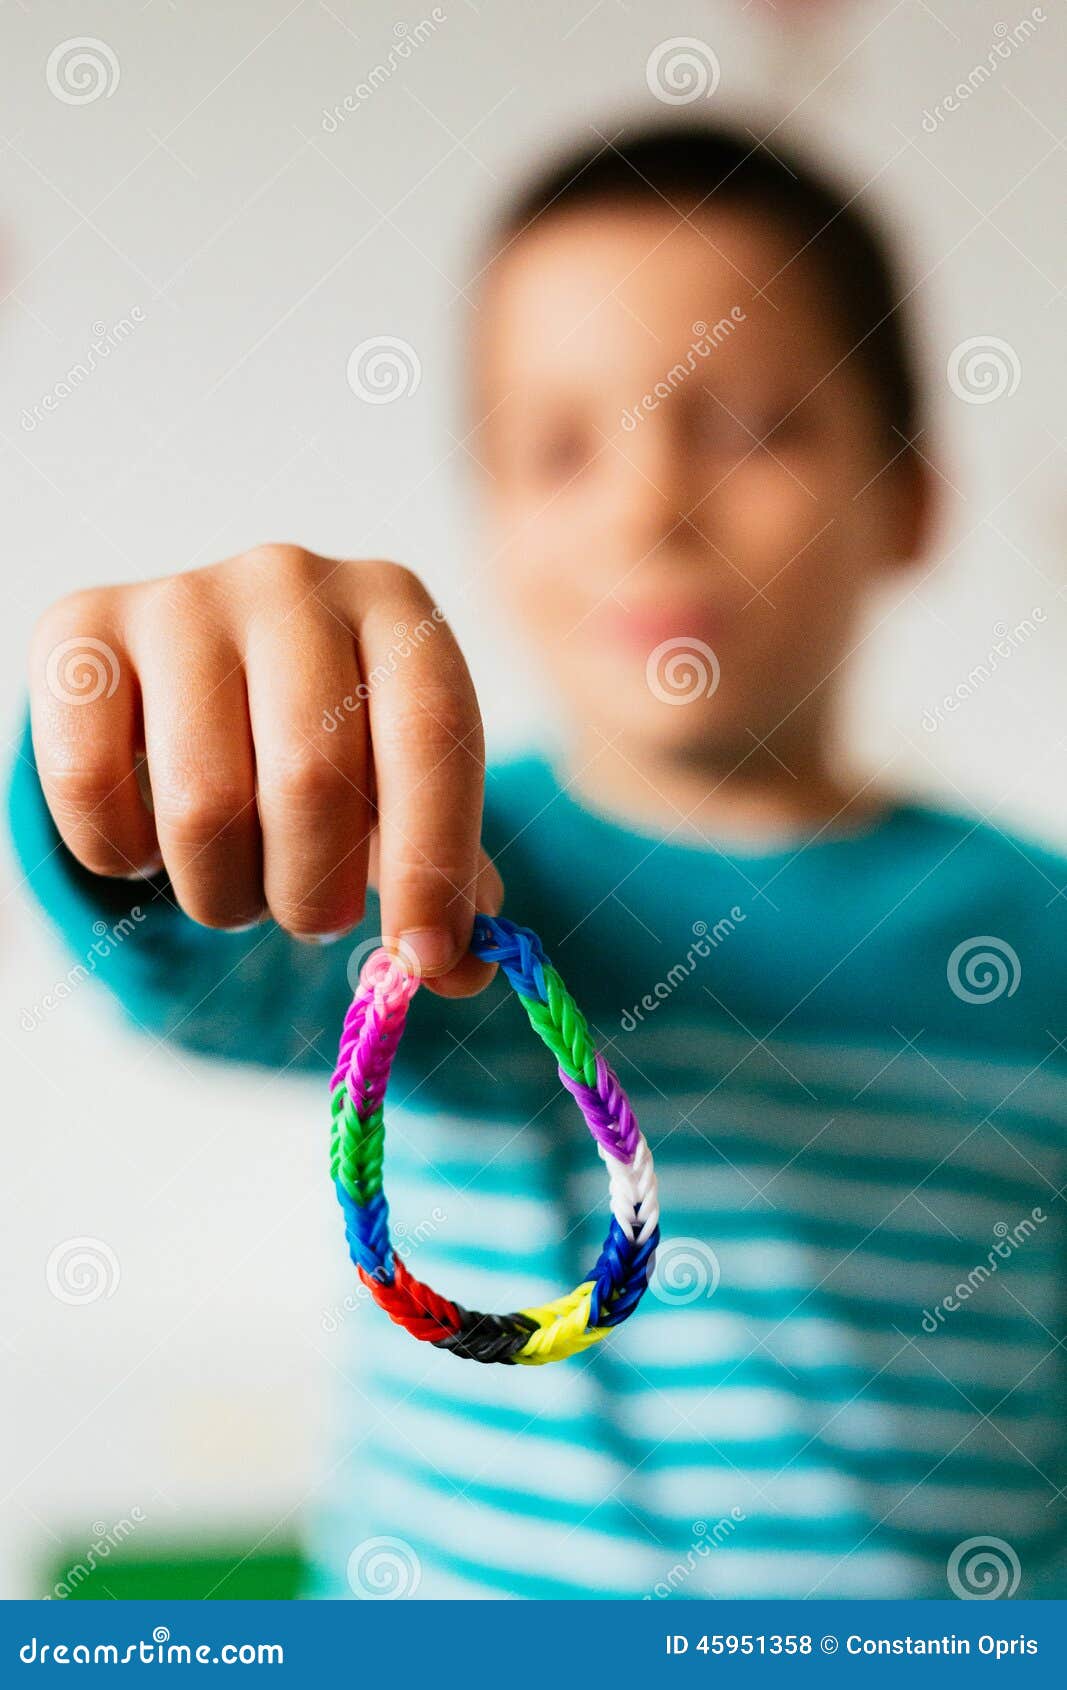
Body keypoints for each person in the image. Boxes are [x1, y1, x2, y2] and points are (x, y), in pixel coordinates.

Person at [10, 123, 1066, 1600]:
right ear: (490, 516)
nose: (649, 506)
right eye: (559, 447)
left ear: (908, 499)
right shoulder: (417, 863)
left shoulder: (1044, 938)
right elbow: (187, 949)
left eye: (756, 427)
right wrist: (121, 760)